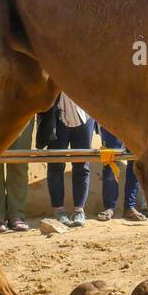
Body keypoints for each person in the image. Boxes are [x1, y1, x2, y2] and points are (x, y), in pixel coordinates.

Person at [45, 93, 93, 227]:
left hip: (85, 114)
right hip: (58, 114)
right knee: (55, 164)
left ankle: (79, 211)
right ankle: (59, 211)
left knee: (82, 165)